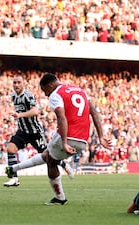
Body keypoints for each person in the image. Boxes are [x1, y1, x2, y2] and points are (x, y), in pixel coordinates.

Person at [6, 73, 111, 205]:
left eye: (45, 91)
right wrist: (101, 136)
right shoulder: (80, 90)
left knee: (50, 161)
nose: (46, 95)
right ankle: (14, 169)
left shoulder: (56, 94)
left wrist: (64, 142)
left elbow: (62, 118)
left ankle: (60, 197)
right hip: (83, 139)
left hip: (68, 136)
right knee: (47, 155)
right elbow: (94, 112)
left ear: (50, 85)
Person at [3, 74, 73, 187]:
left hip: (35, 132)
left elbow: (35, 111)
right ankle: (14, 178)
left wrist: (19, 115)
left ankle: (64, 165)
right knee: (10, 149)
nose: (16, 85)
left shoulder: (28, 95)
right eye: (14, 82)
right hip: (23, 131)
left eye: (18, 82)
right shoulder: (13, 96)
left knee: (47, 156)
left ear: (23, 84)